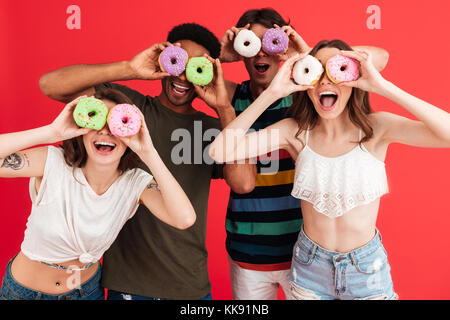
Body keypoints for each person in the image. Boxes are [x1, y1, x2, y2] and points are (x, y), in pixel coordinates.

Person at [209, 39, 450, 300]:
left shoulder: (376, 128)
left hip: (366, 269)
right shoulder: (295, 132)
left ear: (352, 79)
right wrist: (272, 94)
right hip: (310, 267)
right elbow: (219, 152)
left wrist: (383, 87)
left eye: (336, 71)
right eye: (316, 71)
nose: (325, 81)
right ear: (307, 83)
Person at [38, 23, 251, 300]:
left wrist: (224, 108)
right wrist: (131, 68)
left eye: (194, 67)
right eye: (177, 61)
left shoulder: (210, 129)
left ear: (207, 73)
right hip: (129, 285)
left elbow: (244, 182)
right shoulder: (125, 110)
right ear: (164, 60)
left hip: (190, 286)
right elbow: (50, 85)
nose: (183, 76)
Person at [217, 8, 389, 300]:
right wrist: (220, 56)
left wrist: (308, 55)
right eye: (252, 43)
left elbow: (380, 57)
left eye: (271, 41)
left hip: (304, 249)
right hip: (249, 248)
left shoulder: (305, 92)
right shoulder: (231, 95)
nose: (261, 52)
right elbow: (191, 76)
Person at [0, 88, 196, 300]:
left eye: (116, 124)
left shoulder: (135, 183)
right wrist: (52, 132)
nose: (105, 131)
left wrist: (148, 151)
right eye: (96, 121)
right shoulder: (53, 162)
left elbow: (184, 218)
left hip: (87, 292)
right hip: (25, 294)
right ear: (81, 130)